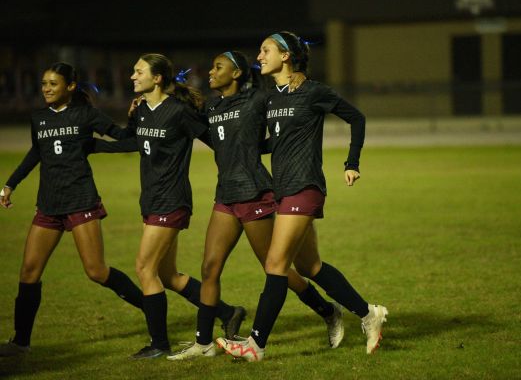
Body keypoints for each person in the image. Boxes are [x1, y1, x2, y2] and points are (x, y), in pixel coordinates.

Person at [216, 32, 388, 362]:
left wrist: (352, 163)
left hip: (305, 186)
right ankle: (368, 314)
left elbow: (357, 117)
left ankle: (255, 345)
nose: (259, 56)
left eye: (265, 50)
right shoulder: (270, 97)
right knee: (310, 265)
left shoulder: (312, 91)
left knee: (275, 264)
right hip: (283, 189)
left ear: (285, 56)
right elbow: (278, 140)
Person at [167, 51, 343, 360]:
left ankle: (327, 311)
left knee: (276, 269)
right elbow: (193, 123)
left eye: (218, 67)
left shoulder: (258, 99)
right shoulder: (212, 106)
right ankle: (203, 342)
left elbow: (287, 110)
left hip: (255, 194)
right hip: (226, 195)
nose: (211, 72)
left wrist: (298, 78)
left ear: (236, 73)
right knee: (209, 268)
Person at [93, 53, 244, 359]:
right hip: (151, 200)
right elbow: (135, 143)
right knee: (168, 275)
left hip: (171, 199)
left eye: (139, 72)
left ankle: (159, 344)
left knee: (144, 267)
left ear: (157, 77)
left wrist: (242, 162)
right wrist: (95, 145)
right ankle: (228, 313)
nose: (133, 77)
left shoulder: (179, 111)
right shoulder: (142, 110)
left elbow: (215, 140)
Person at [0, 62, 144, 357]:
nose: (46, 89)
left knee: (96, 271)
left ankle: (151, 306)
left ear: (70, 86)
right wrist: (10, 184)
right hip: (49, 204)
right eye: (44, 84)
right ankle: (20, 343)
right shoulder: (39, 117)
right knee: (29, 271)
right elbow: (36, 152)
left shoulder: (86, 114)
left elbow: (122, 137)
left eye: (53, 84)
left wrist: (133, 119)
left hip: (80, 200)